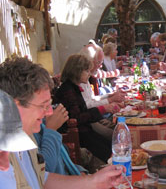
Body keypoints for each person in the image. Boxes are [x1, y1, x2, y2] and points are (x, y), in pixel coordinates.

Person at [0, 58, 125, 189]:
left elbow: (41, 177)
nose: (49, 112)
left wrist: (93, 181)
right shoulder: (4, 158)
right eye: (43, 105)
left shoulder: (26, 134)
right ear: (15, 105)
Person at [55, 54, 117, 162]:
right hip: (77, 133)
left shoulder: (73, 87)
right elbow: (77, 118)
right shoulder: (68, 90)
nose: (89, 74)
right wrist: (103, 109)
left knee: (112, 145)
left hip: (84, 129)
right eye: (87, 71)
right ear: (77, 71)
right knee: (110, 150)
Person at [34, 104, 88, 175]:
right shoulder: (26, 134)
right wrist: (51, 129)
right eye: (43, 104)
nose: (50, 111)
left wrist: (79, 170)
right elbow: (45, 171)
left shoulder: (42, 124)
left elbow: (63, 160)